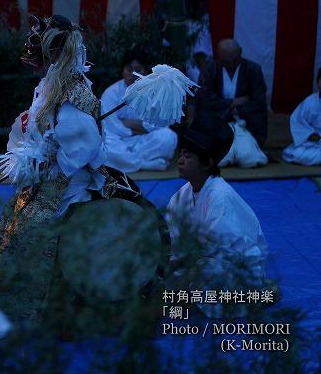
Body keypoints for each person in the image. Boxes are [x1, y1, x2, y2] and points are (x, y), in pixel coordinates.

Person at [0, 15, 116, 334]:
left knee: (30, 229)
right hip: (48, 175)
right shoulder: (53, 83)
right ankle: (3, 306)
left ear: (52, 55)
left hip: (70, 183)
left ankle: (23, 317)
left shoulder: (70, 92)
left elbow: (84, 142)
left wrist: (44, 160)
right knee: (10, 219)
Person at [166, 118, 268, 315]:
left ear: (207, 163)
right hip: (196, 262)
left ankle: (257, 294)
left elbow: (221, 250)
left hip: (234, 269)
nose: (179, 161)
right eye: (181, 154)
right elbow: (173, 237)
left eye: (188, 156)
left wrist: (178, 266)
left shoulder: (220, 195)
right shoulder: (182, 194)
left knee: (208, 270)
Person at [100, 52, 178, 172]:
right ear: (122, 71)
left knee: (168, 137)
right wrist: (137, 129)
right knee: (105, 146)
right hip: (118, 140)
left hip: (143, 140)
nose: (133, 74)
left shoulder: (154, 93)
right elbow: (109, 127)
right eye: (129, 69)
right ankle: (144, 164)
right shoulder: (111, 93)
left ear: (146, 72)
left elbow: (160, 123)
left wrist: (129, 123)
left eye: (138, 69)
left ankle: (126, 162)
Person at [196, 39, 268, 165]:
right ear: (218, 55)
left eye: (234, 60)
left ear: (240, 52)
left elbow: (258, 102)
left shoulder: (253, 70)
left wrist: (234, 109)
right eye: (226, 62)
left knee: (250, 160)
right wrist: (232, 103)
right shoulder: (209, 70)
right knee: (220, 160)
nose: (231, 65)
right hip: (217, 123)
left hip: (245, 124)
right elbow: (205, 99)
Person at [282, 68, 321, 166]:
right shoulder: (310, 101)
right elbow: (297, 121)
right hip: (313, 142)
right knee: (297, 154)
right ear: (318, 82)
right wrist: (309, 134)